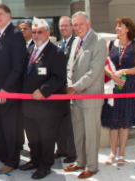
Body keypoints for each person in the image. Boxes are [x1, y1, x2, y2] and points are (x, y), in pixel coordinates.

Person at [20, 17, 67, 180]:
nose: (36, 35)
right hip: (29, 106)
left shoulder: (57, 53)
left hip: (47, 107)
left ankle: (45, 166)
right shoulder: (29, 50)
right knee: (32, 137)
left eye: (40, 32)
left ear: (48, 33)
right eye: (34, 32)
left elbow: (59, 77)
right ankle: (35, 160)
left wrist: (43, 90)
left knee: (46, 139)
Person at [64, 11, 107, 179]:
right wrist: (70, 85)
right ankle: (80, 162)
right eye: (75, 25)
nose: (77, 27)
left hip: (90, 98)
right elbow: (70, 67)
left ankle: (92, 166)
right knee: (79, 133)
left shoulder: (98, 41)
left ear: (89, 23)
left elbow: (95, 71)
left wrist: (76, 87)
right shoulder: (76, 42)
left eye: (80, 24)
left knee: (91, 135)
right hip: (75, 97)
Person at [0, 4, 27, 175]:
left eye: (0, 14)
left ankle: (12, 161)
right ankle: (4, 155)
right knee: (0, 127)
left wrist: (5, 88)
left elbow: (18, 67)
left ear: (9, 16)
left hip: (7, 92)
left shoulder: (15, 35)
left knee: (11, 129)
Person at [102, 16, 135, 166]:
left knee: (125, 121)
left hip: (129, 84)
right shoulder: (110, 44)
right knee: (114, 121)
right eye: (116, 25)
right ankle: (112, 152)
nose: (117, 28)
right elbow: (103, 64)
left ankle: (121, 153)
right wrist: (113, 75)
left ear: (128, 29)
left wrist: (123, 71)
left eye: (120, 26)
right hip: (113, 85)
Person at [54, 16, 77, 163]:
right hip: (57, 91)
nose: (63, 28)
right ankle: (61, 149)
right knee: (59, 121)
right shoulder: (56, 45)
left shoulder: (77, 44)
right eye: (61, 26)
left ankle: (72, 152)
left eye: (66, 26)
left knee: (71, 123)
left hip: (71, 90)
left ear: (72, 27)